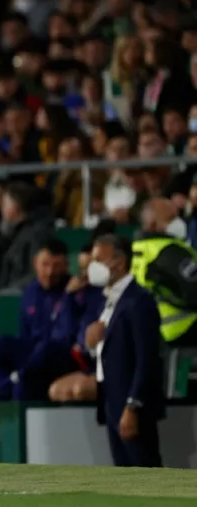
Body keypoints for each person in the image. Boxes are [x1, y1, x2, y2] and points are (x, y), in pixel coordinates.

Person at [0, 239, 78, 412]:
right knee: (3, 344)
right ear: (35, 263)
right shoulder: (30, 292)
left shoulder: (72, 290)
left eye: (56, 266)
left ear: (66, 266)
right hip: (32, 352)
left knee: (44, 348)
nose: (50, 272)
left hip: (59, 356)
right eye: (45, 265)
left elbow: (68, 335)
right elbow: (24, 333)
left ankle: (16, 377)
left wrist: (69, 297)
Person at [86, 234, 164, 467]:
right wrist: (92, 344)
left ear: (119, 262)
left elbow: (147, 358)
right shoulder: (108, 300)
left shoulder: (139, 300)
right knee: (124, 475)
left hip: (131, 405)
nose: (93, 266)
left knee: (145, 470)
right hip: (111, 400)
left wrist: (133, 405)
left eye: (98, 260)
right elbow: (109, 350)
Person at [132, 197, 197, 346]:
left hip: (154, 331)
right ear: (153, 225)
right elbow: (194, 290)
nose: (178, 222)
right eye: (171, 218)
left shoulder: (138, 248)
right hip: (184, 327)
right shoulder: (168, 252)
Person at [48, 245, 105, 403]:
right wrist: (68, 296)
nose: (84, 274)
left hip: (98, 361)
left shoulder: (107, 294)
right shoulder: (77, 295)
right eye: (82, 269)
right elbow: (64, 331)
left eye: (89, 268)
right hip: (75, 356)